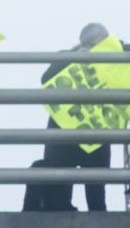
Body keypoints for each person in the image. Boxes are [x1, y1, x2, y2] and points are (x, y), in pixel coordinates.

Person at [30, 23, 115, 213]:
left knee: (96, 186)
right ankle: (62, 210)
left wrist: (119, 49)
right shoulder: (66, 56)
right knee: (60, 182)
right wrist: (74, 59)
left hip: (96, 129)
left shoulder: (113, 61)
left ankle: (98, 215)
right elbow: (46, 79)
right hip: (65, 129)